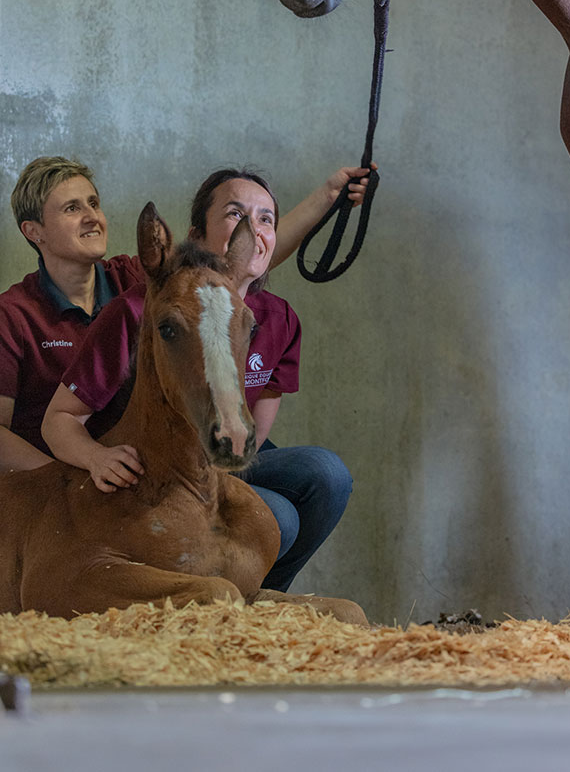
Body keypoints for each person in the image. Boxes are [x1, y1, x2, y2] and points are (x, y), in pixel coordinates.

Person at [41, 166, 357, 592]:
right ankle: (232, 601)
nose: (253, 227)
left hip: (227, 448)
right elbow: (60, 417)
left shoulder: (279, 317)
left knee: (327, 474)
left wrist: (329, 195)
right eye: (235, 214)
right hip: (163, 460)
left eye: (266, 219)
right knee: (278, 515)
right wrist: (97, 457)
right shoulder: (142, 310)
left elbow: (257, 434)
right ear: (197, 234)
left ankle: (264, 599)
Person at [0, 155, 369, 473]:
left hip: (158, 444)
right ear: (34, 231)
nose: (92, 217)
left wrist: (328, 197)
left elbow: (240, 260)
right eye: (72, 208)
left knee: (319, 473)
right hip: (76, 462)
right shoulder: (12, 315)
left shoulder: (139, 276)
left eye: (94, 203)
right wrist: (64, 477)